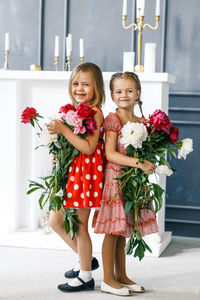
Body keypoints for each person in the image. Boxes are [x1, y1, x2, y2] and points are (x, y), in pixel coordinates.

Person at [93, 72, 158, 296]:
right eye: (119, 91)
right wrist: (139, 163)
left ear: (137, 93)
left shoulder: (142, 121)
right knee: (112, 231)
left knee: (122, 231)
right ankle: (108, 279)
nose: (124, 95)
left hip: (132, 180)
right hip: (115, 179)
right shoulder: (114, 120)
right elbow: (110, 154)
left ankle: (121, 275)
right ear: (112, 95)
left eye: (129, 90)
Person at [47, 62, 105, 292]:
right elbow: (73, 145)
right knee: (55, 220)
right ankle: (86, 260)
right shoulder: (74, 113)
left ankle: (86, 276)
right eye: (75, 83)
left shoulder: (95, 113)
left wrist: (64, 130)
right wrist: (60, 154)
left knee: (80, 226)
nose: (79, 88)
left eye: (86, 84)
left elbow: (89, 148)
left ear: (97, 88)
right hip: (72, 173)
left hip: (86, 176)